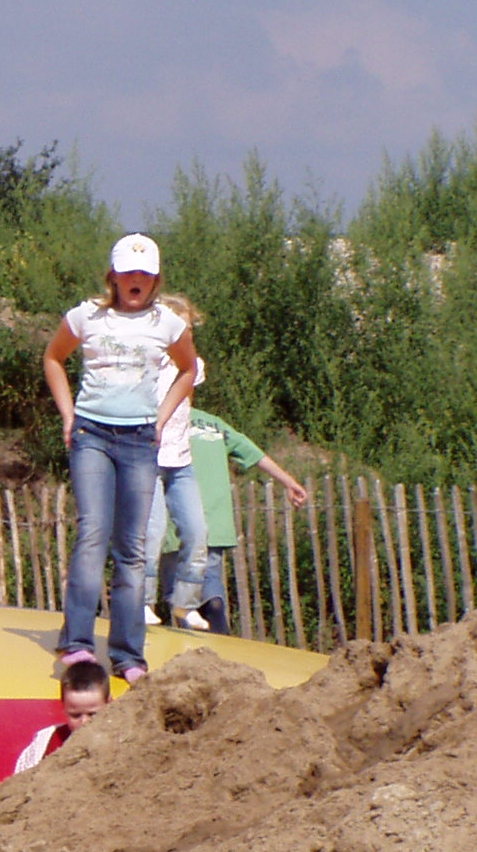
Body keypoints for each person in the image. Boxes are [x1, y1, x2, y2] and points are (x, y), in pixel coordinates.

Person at [42, 234, 199, 683]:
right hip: (92, 432)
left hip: (138, 441)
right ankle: (76, 643)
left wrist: (161, 420)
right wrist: (68, 415)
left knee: (132, 548)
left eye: (144, 274)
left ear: (155, 279)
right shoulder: (86, 317)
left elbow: (188, 369)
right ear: (112, 276)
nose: (136, 280)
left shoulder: (168, 324)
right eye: (128, 273)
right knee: (93, 532)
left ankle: (128, 654)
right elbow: (54, 358)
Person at [158, 412, 310, 635]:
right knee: (211, 596)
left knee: (185, 604)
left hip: (177, 523)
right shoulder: (214, 424)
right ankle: (221, 652)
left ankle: (200, 661)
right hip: (215, 523)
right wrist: (288, 481)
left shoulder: (159, 418)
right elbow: (253, 452)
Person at [141, 293, 210, 630]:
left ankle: (185, 604)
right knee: (152, 533)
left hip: (180, 460)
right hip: (149, 460)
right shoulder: (148, 365)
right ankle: (142, 601)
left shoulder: (192, 366)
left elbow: (187, 404)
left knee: (197, 531)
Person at [12, 659, 110, 774]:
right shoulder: (46, 742)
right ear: (64, 707)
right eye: (75, 715)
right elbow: (21, 778)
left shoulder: (122, 741)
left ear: (109, 704)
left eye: (92, 714)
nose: (84, 722)